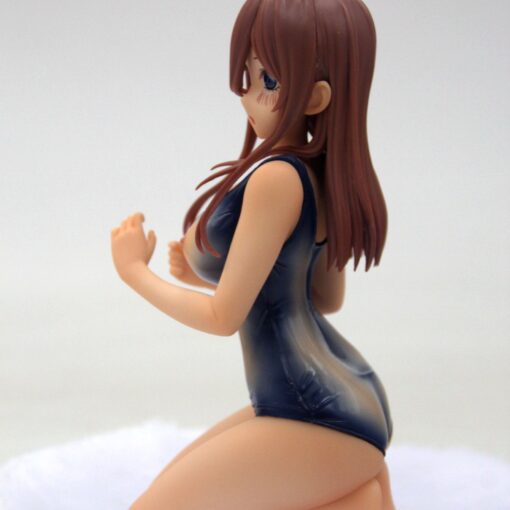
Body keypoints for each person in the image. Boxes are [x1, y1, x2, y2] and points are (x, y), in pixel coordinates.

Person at [111, 0, 396, 508]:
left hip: (313, 408)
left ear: (316, 96)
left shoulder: (277, 179)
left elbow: (223, 318)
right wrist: (210, 276)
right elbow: (322, 297)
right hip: (341, 396)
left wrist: (135, 272)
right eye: (247, 74)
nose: (246, 94)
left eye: (267, 79)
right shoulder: (320, 173)